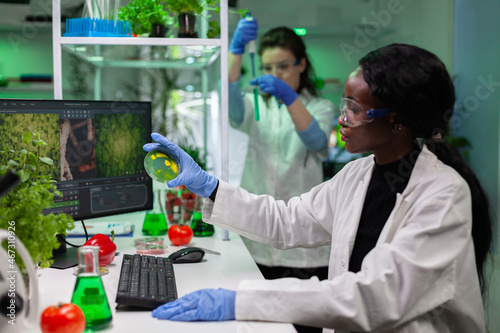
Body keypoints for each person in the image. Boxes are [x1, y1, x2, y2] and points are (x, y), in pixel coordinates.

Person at [144, 43, 493, 332]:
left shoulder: (443, 194)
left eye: (354, 109)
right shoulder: (357, 175)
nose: (342, 118)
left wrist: (241, 301)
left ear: (397, 121)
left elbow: (375, 297)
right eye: (344, 104)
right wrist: (208, 185)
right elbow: (285, 221)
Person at [228, 18, 335, 282]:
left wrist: (289, 96)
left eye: (283, 66)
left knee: (303, 317)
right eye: (267, 67)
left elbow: (317, 142)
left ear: (301, 64)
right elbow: (229, 97)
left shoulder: (320, 106)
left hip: (304, 243)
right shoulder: (255, 106)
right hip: (257, 238)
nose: (275, 74)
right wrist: (236, 51)